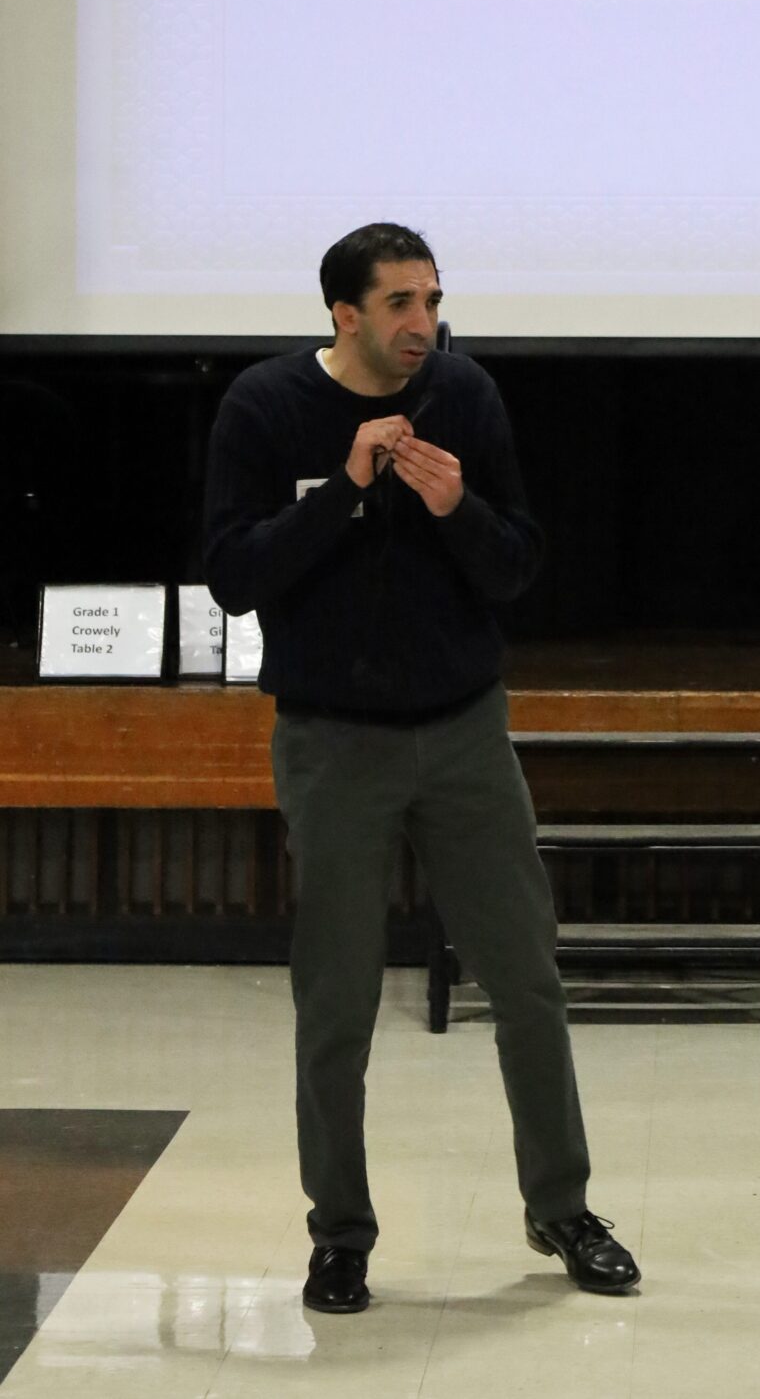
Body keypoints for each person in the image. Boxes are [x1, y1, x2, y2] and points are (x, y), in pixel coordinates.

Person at [203, 222, 639, 1313]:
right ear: (342, 314)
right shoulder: (265, 407)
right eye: (400, 303)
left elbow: (516, 564)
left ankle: (564, 1207)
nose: (423, 325)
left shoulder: (466, 396)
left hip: (463, 736)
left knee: (528, 980)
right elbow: (232, 576)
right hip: (332, 743)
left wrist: (457, 507)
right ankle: (340, 1234)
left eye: (433, 300)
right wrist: (343, 491)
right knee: (337, 1003)